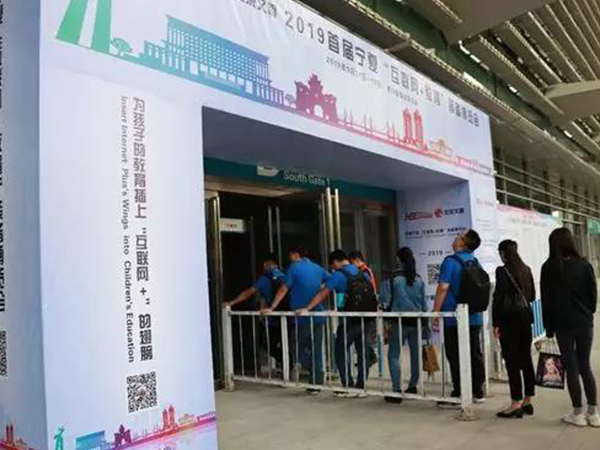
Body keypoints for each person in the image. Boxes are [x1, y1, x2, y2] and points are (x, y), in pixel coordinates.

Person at [541, 227, 599, 427]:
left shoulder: (549, 267)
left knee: (572, 367)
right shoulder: (584, 265)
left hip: (562, 324)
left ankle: (578, 414)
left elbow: (546, 301)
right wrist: (588, 312)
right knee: (585, 365)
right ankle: (594, 413)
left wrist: (548, 328)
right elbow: (593, 295)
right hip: (584, 322)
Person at [299, 250, 374, 398]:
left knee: (340, 349)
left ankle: (348, 385)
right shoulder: (362, 273)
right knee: (362, 352)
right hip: (365, 318)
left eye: (332, 265)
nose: (332, 268)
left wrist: (307, 308)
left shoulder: (338, 275)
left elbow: (323, 293)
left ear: (335, 262)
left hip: (349, 319)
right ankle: (361, 387)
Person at [265, 246, 329, 395]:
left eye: (290, 255)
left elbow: (284, 289)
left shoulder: (294, 268)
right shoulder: (318, 268)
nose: (290, 259)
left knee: (297, 348)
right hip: (319, 314)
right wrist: (318, 289)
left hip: (303, 316)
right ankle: (316, 382)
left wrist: (272, 307)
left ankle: (316, 374)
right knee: (316, 349)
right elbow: (330, 281)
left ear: (295, 255)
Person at [433, 229, 486, 408]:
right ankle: (478, 391)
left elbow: (443, 288)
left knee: (455, 355)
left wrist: (435, 313)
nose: (456, 238)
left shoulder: (450, 262)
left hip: (454, 318)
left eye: (459, 236)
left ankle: (459, 393)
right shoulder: (475, 261)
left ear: (462, 242)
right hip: (474, 316)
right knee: (474, 353)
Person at [492, 240, 536, 419]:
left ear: (503, 253)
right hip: (525, 318)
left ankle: (515, 403)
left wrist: (496, 323)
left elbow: (498, 298)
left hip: (508, 320)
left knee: (512, 362)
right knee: (526, 358)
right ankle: (528, 400)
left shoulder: (502, 271)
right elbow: (532, 296)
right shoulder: (526, 269)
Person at [379, 247, 428, 403]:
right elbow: (424, 304)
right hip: (416, 321)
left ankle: (396, 390)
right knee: (415, 354)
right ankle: (413, 386)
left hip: (398, 321)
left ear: (398, 260)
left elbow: (385, 301)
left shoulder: (391, 279)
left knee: (393, 354)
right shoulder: (419, 279)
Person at [224, 255, 287, 368]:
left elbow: (249, 292)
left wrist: (232, 302)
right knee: (287, 342)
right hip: (290, 314)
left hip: (273, 317)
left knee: (268, 344)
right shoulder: (285, 275)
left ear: (265, 267)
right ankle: (289, 365)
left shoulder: (264, 279)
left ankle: (289, 365)